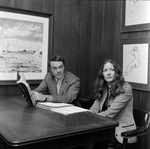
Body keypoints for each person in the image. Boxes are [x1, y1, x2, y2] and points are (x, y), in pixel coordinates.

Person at [90, 59, 137, 149]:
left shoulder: (126, 88)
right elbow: (94, 108)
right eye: (105, 70)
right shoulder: (104, 87)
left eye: (112, 70)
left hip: (121, 134)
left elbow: (110, 113)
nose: (108, 73)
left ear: (117, 72)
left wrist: (91, 119)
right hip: (107, 130)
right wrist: (86, 116)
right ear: (102, 74)